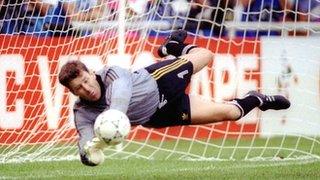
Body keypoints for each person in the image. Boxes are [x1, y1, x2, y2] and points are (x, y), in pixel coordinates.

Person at [58, 30, 291, 166]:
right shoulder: (82, 112)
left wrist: (114, 115)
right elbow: (84, 139)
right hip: (158, 115)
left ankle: (173, 47)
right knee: (232, 113)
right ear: (73, 93)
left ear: (91, 72)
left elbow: (122, 89)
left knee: (207, 55)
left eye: (86, 80)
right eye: (79, 88)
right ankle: (258, 99)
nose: (86, 88)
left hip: (160, 81)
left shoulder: (110, 73)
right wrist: (90, 152)